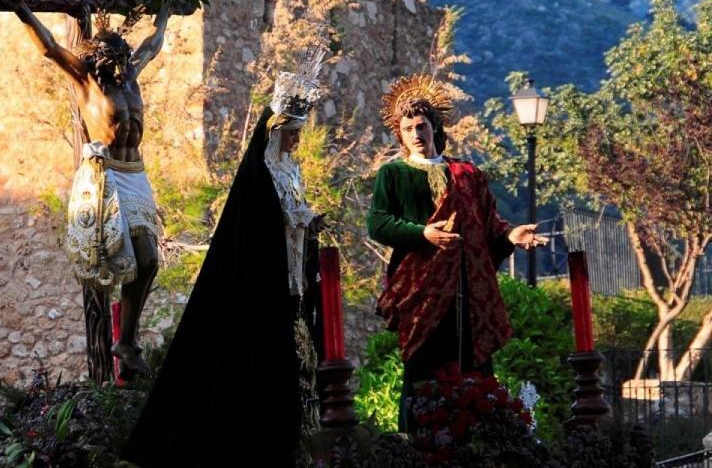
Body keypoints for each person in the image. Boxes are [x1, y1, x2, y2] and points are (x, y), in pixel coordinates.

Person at [122, 48, 328, 467]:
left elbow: (291, 216)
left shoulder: (292, 171)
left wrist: (308, 223)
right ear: (274, 131)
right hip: (258, 282)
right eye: (291, 131)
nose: (297, 139)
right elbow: (256, 226)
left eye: (299, 132)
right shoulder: (260, 175)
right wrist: (293, 218)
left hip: (290, 279)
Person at [3, 0, 169, 378]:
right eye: (112, 54)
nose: (122, 59)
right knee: (105, 260)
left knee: (149, 260)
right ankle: (114, 348)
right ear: (97, 56)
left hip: (135, 177)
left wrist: (164, 13)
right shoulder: (86, 81)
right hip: (107, 175)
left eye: (123, 54)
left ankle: (126, 340)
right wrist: (23, 10)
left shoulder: (132, 76)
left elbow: (155, 44)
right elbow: (48, 49)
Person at [366, 77, 548, 431]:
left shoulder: (467, 174)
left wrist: (512, 234)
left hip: (468, 294)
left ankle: (479, 436)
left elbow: (490, 227)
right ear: (399, 135)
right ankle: (422, 441)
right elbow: (378, 224)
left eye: (422, 125)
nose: (416, 133)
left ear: (435, 126)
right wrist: (423, 234)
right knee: (424, 369)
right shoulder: (393, 174)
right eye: (408, 129)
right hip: (423, 294)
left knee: (473, 368)